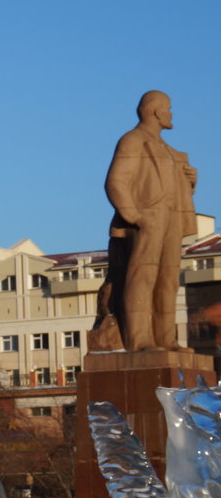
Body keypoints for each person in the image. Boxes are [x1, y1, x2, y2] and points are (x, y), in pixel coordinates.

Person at [102, 90, 197, 351]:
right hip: (147, 219)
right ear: (155, 111)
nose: (171, 113)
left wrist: (189, 179)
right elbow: (116, 181)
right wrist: (134, 215)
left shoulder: (168, 149)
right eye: (168, 107)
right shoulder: (132, 141)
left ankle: (166, 339)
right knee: (142, 277)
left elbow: (173, 184)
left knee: (167, 280)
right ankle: (140, 340)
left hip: (171, 219)